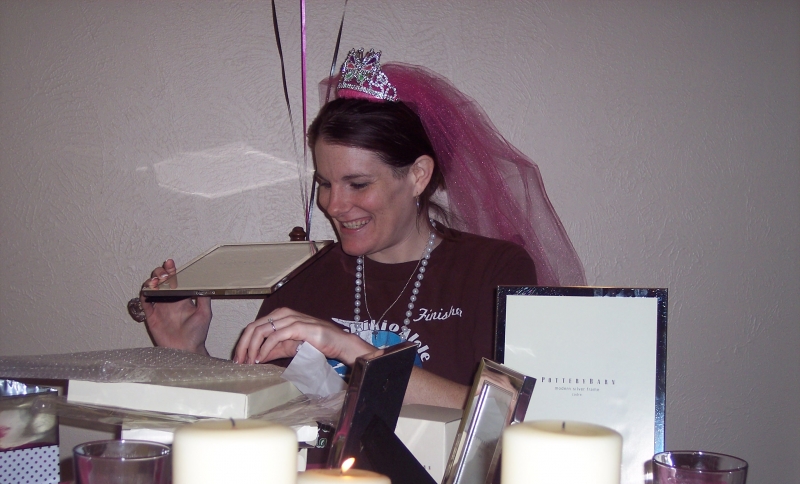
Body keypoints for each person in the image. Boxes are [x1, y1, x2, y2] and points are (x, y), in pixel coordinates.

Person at [140, 49, 585, 409]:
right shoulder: (300, 277)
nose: (334, 205)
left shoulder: (493, 269)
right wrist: (186, 352)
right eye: (325, 184)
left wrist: (351, 350)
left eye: (358, 184)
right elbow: (261, 417)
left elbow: (511, 414)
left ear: (417, 175)